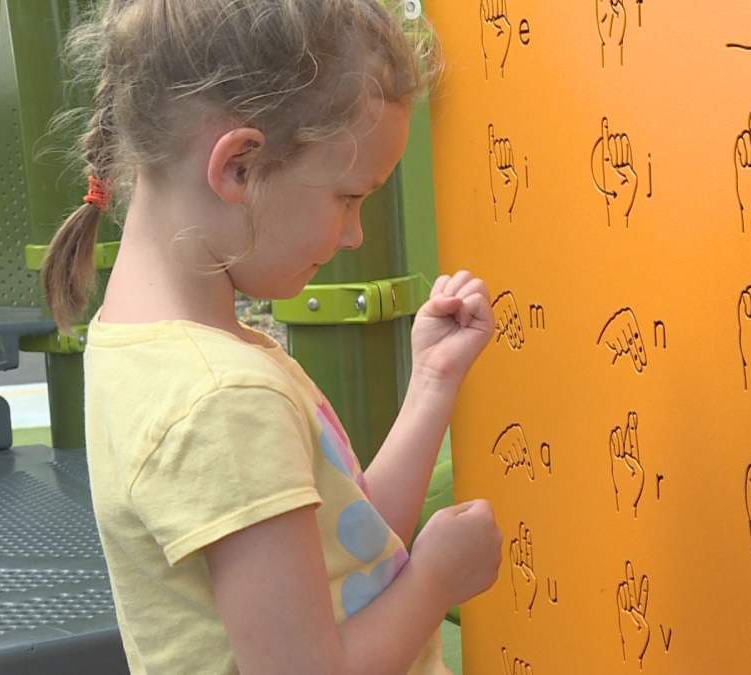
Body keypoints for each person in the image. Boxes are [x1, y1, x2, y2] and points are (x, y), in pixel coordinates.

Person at [37, 2, 501, 673]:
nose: (354, 234)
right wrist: (435, 581)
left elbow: (350, 551)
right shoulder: (220, 399)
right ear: (239, 168)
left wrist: (431, 382)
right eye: (348, 197)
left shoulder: (156, 345)